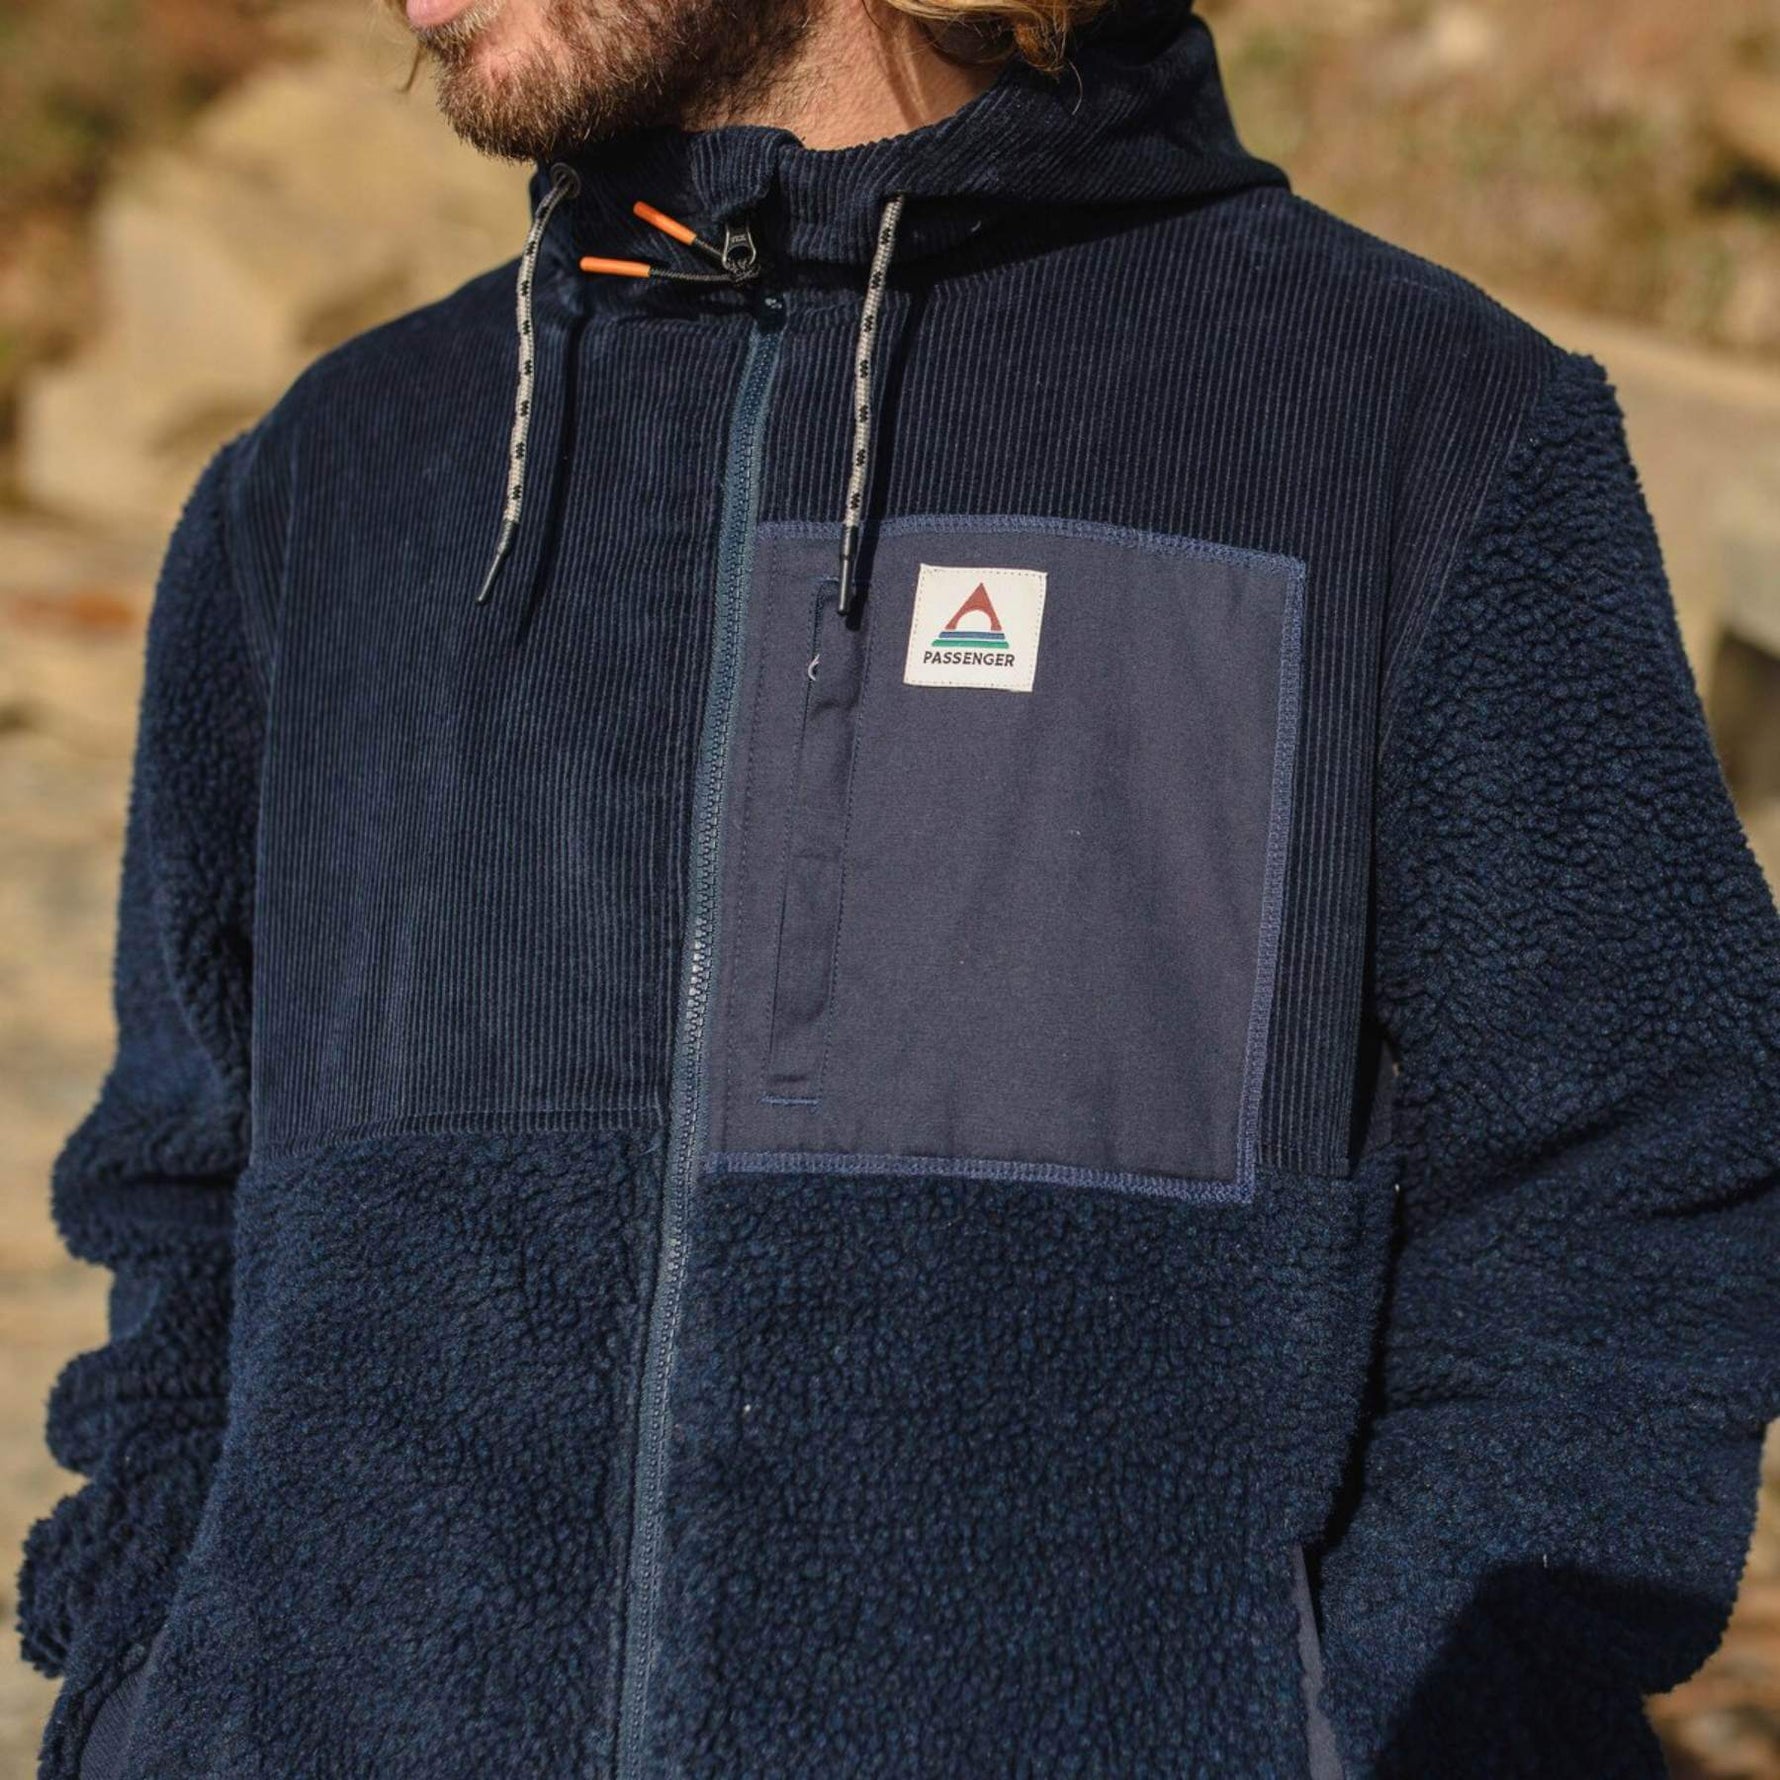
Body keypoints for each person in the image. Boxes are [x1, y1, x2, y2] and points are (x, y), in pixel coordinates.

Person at [20, 0, 1780, 1773]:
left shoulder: (1414, 429)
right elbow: (179, 1201)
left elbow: (1625, 1205)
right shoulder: (322, 485)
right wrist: (143, 1702)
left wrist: (1392, 1733)